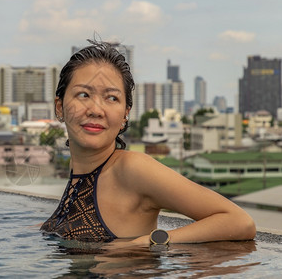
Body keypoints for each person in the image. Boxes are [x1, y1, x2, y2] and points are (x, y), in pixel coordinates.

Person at [40, 39, 256, 246]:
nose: (96, 110)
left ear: (126, 113)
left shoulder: (131, 169)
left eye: (112, 98)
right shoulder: (81, 169)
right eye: (84, 94)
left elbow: (239, 221)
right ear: (59, 107)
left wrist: (151, 241)